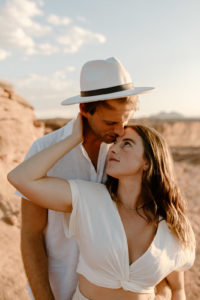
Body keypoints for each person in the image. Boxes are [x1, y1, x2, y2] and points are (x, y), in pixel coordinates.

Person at [14, 56, 162, 300]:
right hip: (59, 287)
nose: (118, 130)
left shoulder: (123, 153)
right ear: (84, 109)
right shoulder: (44, 150)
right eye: (110, 122)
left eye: (125, 120)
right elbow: (31, 235)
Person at [8, 114, 195, 300]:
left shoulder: (173, 224)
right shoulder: (90, 199)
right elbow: (20, 178)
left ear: (148, 161)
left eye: (127, 144)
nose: (113, 150)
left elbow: (177, 289)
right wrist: (73, 139)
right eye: (115, 143)